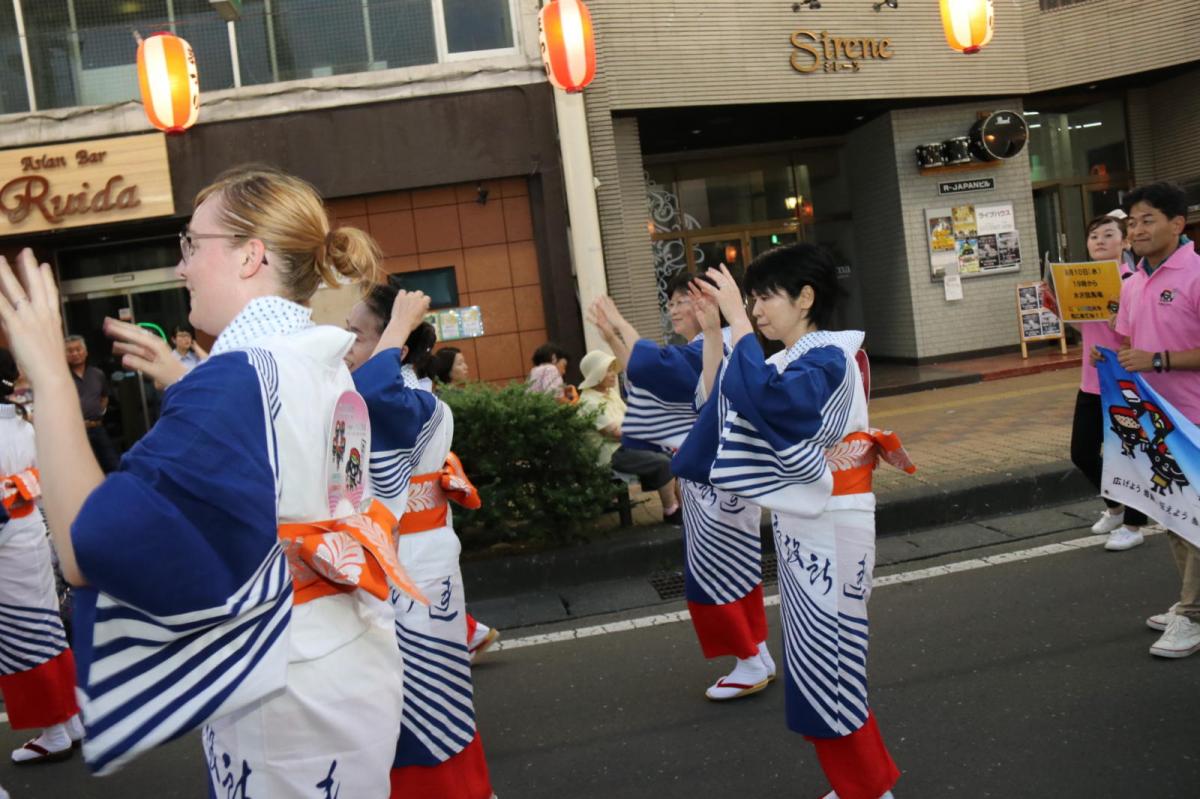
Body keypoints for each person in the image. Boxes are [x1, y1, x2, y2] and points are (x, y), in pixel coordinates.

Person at [0, 165, 415, 793]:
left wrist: (51, 377)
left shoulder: (242, 377)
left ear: (250, 256)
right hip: (345, 657)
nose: (181, 266)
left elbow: (90, 548)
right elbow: (266, 453)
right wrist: (185, 380)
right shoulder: (316, 355)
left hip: (283, 687)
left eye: (191, 244)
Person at [679, 249, 914, 799]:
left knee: (828, 661)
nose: (757, 308)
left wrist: (736, 322)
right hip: (810, 520)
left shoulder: (829, 355)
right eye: (753, 298)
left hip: (830, 521)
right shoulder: (796, 358)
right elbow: (726, 405)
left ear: (805, 297)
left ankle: (869, 791)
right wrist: (720, 330)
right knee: (818, 663)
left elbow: (769, 403)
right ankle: (863, 783)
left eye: (765, 296)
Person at [589, 273, 774, 700]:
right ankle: (757, 651)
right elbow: (651, 376)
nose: (672, 309)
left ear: (704, 300)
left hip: (712, 477)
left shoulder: (715, 343)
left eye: (679, 301)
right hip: (723, 474)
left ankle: (748, 660)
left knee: (713, 572)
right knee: (739, 565)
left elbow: (655, 368)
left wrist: (617, 322)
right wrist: (617, 335)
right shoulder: (718, 342)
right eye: (669, 302)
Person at [346, 281, 497, 799]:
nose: (347, 346)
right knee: (394, 697)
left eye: (357, 334)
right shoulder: (396, 396)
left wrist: (393, 328)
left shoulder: (409, 401)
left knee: (424, 698)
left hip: (413, 564)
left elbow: (371, 392)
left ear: (397, 348)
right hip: (393, 560)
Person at [1112, 182, 1200, 659]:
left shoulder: (1197, 276)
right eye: (1132, 221)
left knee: (1196, 518)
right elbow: (1127, 350)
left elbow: (1147, 356)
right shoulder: (1133, 282)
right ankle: (1192, 604)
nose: (1137, 229)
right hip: (1153, 421)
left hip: (1195, 421)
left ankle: (1193, 614)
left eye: (1147, 219)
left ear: (1177, 224)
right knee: (1174, 516)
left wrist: (1158, 360)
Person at [0, 348, 84, 765]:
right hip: (30, 532)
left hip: (6, 541)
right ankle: (70, 719)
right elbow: (40, 480)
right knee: (48, 626)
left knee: (20, 639)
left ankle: (54, 731)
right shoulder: (21, 425)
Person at [1072, 214, 1147, 550]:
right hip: (1090, 383)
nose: (1099, 241)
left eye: (1108, 234)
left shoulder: (1132, 281)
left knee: (1130, 455)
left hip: (1123, 383)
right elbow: (1087, 330)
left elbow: (1142, 335)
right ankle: (1115, 508)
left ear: (1125, 242)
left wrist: (1119, 323)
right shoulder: (1081, 281)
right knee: (1083, 453)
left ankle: (1134, 525)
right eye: (1093, 236)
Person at [577, 349, 682, 523]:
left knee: (674, 458)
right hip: (611, 454)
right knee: (664, 463)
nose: (613, 374)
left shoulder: (609, 394)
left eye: (612, 369)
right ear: (596, 374)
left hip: (627, 447)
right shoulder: (589, 402)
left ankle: (683, 508)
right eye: (608, 370)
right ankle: (670, 511)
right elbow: (616, 433)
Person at [65, 335, 119, 473]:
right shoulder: (62, 378)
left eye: (78, 349)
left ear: (86, 352)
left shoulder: (97, 374)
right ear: (65, 354)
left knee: (113, 466)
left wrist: (99, 412)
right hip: (75, 433)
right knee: (84, 472)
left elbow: (104, 396)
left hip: (97, 428)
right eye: (70, 351)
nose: (75, 353)